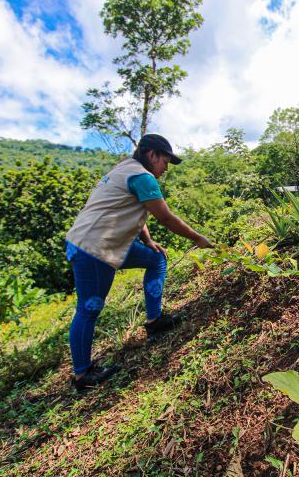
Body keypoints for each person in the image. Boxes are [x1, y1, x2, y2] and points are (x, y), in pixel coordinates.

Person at [65, 133, 213, 391]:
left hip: (98, 241)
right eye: (165, 161)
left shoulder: (124, 168)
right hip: (94, 247)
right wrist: (198, 238)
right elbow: (165, 217)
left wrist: (148, 241)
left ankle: (155, 322)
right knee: (89, 309)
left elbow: (134, 209)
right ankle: (82, 374)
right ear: (152, 155)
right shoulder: (143, 177)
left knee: (156, 259)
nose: (166, 169)